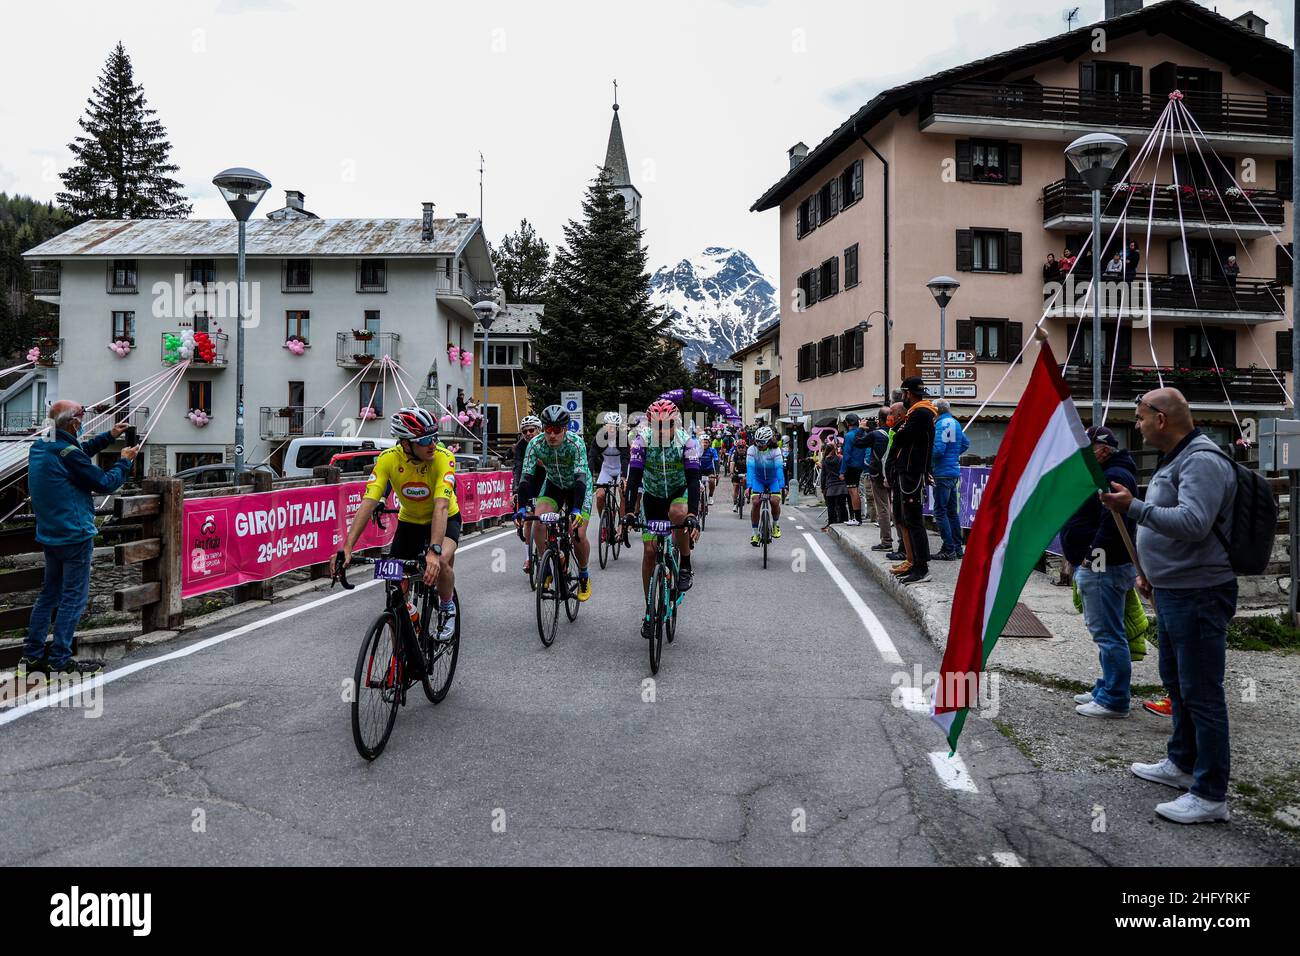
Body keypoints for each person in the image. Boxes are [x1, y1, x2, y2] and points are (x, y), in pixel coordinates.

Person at [1101, 388, 1236, 824]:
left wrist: (1134, 507)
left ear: (1161, 418)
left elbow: (1194, 523)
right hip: (1174, 589)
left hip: (1199, 592)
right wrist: (1151, 572)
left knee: (1201, 691)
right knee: (1177, 683)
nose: (1136, 426)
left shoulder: (1201, 460)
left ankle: (1211, 793)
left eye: (1139, 418)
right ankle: (1181, 763)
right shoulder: (1178, 458)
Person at [16, 402, 140, 679]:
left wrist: (108, 437)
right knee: (73, 598)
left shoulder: (41, 447)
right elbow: (105, 483)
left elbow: (73, 455)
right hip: (74, 533)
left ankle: (31, 658)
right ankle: (59, 660)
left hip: (50, 533)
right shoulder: (68, 453)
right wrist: (124, 461)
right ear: (73, 423)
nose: (85, 419)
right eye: (82, 415)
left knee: (49, 595)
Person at [342, 407, 461, 639]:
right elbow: (368, 502)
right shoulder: (388, 459)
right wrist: (347, 547)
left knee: (443, 561)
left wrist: (434, 551)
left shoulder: (443, 457)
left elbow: (441, 506)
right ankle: (400, 661)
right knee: (395, 590)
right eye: (425, 439)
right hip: (410, 522)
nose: (432, 444)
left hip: (445, 519)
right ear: (406, 444)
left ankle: (447, 608)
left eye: (434, 437)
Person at [1062, 425, 1139, 718]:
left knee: (1108, 634)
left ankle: (1115, 699)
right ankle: (1106, 687)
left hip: (1103, 568)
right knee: (1107, 632)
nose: (1083, 453)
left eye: (1089, 446)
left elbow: (1112, 526)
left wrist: (1089, 559)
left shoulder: (1115, 477)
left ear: (1103, 450)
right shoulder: (1109, 473)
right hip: (1104, 566)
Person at [623, 400, 701, 638]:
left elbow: (693, 481)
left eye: (666, 425)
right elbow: (634, 478)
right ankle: (650, 609)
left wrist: (693, 515)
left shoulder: (686, 442)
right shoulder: (641, 441)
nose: (662, 431)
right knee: (649, 551)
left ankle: (685, 563)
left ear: (675, 423)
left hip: (679, 493)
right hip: (653, 497)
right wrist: (628, 511)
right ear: (650, 424)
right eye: (657, 426)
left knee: (678, 515)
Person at [516, 404, 594, 601]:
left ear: (565, 429)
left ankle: (584, 574)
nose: (552, 435)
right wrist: (522, 508)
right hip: (554, 485)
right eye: (548, 429)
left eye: (557, 430)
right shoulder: (535, 444)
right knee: (538, 523)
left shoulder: (576, 444)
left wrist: (576, 509)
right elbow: (525, 478)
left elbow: (580, 480)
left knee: (577, 533)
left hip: (577, 487)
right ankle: (547, 568)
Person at [891, 378, 938, 585]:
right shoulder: (916, 413)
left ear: (908, 393)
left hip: (912, 471)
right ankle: (913, 561)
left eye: (904, 394)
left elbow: (901, 437)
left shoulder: (920, 413)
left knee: (914, 520)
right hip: (908, 470)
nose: (903, 397)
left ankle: (922, 567)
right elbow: (899, 434)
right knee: (905, 518)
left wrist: (900, 431)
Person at [930, 399, 970, 561]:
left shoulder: (940, 424)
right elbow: (966, 443)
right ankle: (957, 547)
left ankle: (948, 548)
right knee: (952, 512)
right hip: (953, 471)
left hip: (941, 472)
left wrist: (928, 463)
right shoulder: (955, 423)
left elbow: (938, 450)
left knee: (940, 511)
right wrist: (953, 455)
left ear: (937, 411)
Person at [588, 411, 629, 547]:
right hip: (606, 469)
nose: (611, 429)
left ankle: (621, 525)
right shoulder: (599, 438)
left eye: (614, 426)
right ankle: (605, 525)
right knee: (599, 496)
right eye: (609, 426)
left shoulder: (622, 438)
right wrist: (589, 474)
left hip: (620, 469)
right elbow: (592, 456)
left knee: (622, 494)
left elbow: (625, 458)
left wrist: (623, 477)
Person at [512, 414, 543, 574]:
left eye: (531, 430)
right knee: (529, 520)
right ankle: (528, 558)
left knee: (545, 519)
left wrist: (542, 464)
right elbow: (517, 468)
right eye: (525, 431)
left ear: (539, 430)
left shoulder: (546, 442)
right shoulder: (520, 446)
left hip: (545, 481)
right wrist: (515, 491)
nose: (528, 434)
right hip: (529, 482)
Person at [746, 425, 786, 546]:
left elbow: (779, 468)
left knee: (774, 502)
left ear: (769, 441)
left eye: (762, 442)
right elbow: (750, 468)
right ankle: (755, 533)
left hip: (772, 480)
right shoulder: (752, 450)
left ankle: (775, 525)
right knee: (755, 502)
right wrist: (749, 486)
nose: (759, 445)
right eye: (757, 442)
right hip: (758, 479)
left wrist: (782, 485)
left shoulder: (775, 450)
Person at [863, 415, 894, 553]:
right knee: (895, 506)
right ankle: (902, 544)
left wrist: (861, 429)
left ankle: (886, 540)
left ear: (879, 420)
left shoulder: (876, 435)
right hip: (896, 475)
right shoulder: (897, 431)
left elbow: (858, 443)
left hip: (880, 475)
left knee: (882, 507)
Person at [838, 413, 869, 526]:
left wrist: (842, 471)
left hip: (851, 466)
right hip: (861, 466)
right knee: (857, 492)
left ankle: (856, 518)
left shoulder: (849, 436)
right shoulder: (863, 433)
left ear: (847, 423)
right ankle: (857, 517)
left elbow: (846, 455)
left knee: (853, 491)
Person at [820, 438, 847, 532]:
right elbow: (844, 471)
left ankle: (832, 523)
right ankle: (844, 521)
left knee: (831, 507)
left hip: (830, 487)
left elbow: (823, 476)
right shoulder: (840, 458)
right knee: (842, 505)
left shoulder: (824, 461)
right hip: (842, 486)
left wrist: (822, 488)